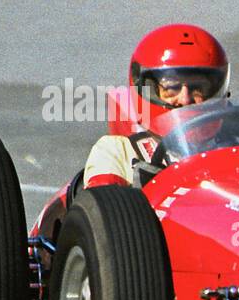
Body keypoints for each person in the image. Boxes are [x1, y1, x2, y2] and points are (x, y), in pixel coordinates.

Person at [83, 23, 229, 188]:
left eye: (198, 88)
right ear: (149, 90)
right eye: (172, 87)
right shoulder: (118, 151)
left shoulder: (238, 149)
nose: (185, 99)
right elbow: (104, 208)